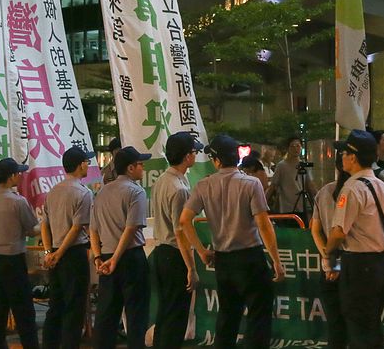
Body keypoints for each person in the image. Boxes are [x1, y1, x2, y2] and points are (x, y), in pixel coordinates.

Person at [180, 134, 286, 349]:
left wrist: (201, 251)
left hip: (223, 261)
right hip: (250, 258)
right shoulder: (251, 184)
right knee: (258, 316)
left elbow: (184, 221)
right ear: (237, 158)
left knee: (227, 317)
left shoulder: (203, 186)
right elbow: (264, 225)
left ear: (216, 161)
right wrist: (276, 260)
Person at [326, 130, 384, 349]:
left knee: (358, 326)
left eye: (344, 153)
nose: (342, 158)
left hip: (358, 265)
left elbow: (338, 232)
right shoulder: (382, 186)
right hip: (379, 263)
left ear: (353, 157)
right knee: (371, 325)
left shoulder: (352, 188)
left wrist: (329, 254)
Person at [90, 145, 152, 349]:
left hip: (106, 259)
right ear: (131, 168)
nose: (143, 168)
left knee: (106, 316)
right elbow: (131, 228)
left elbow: (93, 230)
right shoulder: (136, 192)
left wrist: (99, 258)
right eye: (141, 164)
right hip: (130, 257)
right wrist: (116, 258)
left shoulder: (101, 192)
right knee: (136, 315)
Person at [150, 132, 203, 349]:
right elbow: (180, 230)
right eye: (194, 151)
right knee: (176, 316)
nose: (196, 155)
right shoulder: (179, 189)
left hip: (162, 252)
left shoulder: (163, 180)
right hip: (175, 254)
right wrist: (191, 267)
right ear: (187, 156)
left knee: (166, 311)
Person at [41, 146, 94, 349]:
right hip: (73, 254)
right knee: (74, 307)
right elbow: (77, 227)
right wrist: (61, 252)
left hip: (54, 253)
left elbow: (44, 224)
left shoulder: (53, 192)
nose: (88, 165)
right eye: (87, 162)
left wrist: (49, 253)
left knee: (55, 306)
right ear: (80, 165)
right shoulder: (83, 193)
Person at [0, 158, 41, 349]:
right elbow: (32, 229)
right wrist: (48, 224)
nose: (20, 175)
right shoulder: (18, 201)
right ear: (11, 176)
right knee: (24, 312)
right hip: (15, 261)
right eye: (17, 173)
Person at [310, 167, 351, 349]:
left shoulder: (323, 192)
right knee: (359, 324)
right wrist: (333, 260)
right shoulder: (360, 190)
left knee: (335, 324)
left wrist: (327, 257)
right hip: (355, 262)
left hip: (330, 262)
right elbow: (339, 233)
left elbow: (315, 230)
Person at [268, 136, 317, 216]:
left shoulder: (304, 165)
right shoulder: (281, 166)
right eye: (292, 146)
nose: (295, 149)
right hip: (286, 207)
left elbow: (310, 185)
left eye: (298, 146)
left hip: (301, 207)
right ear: (288, 148)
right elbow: (273, 186)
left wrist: (317, 202)